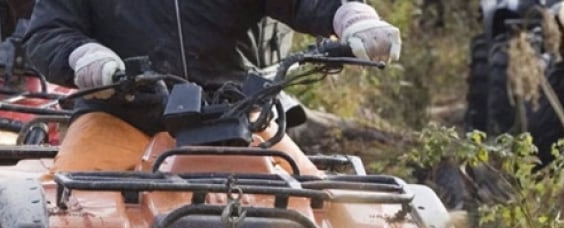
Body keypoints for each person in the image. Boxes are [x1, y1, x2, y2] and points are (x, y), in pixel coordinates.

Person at [23, 0, 402, 174]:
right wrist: (84, 57)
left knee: (326, 214)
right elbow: (48, 31)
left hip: (236, 120)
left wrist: (351, 16)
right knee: (69, 217)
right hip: (121, 117)